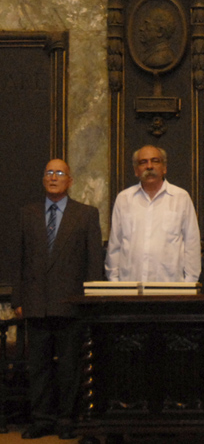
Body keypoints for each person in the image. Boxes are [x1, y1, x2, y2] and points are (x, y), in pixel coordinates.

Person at [11, 159, 103, 440]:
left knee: (69, 366)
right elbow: (19, 260)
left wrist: (90, 301)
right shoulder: (27, 214)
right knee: (38, 366)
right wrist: (18, 299)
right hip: (35, 302)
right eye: (49, 172)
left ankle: (67, 418)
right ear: (43, 179)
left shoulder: (86, 214)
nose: (53, 177)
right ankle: (42, 419)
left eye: (60, 173)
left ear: (70, 180)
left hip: (71, 303)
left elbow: (94, 262)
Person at [105, 145, 201, 283]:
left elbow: (192, 244)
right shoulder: (124, 199)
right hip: (130, 285)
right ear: (136, 170)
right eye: (143, 162)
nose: (149, 166)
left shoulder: (181, 197)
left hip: (171, 287)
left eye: (155, 161)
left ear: (164, 168)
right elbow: (115, 244)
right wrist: (114, 281)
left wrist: (189, 283)